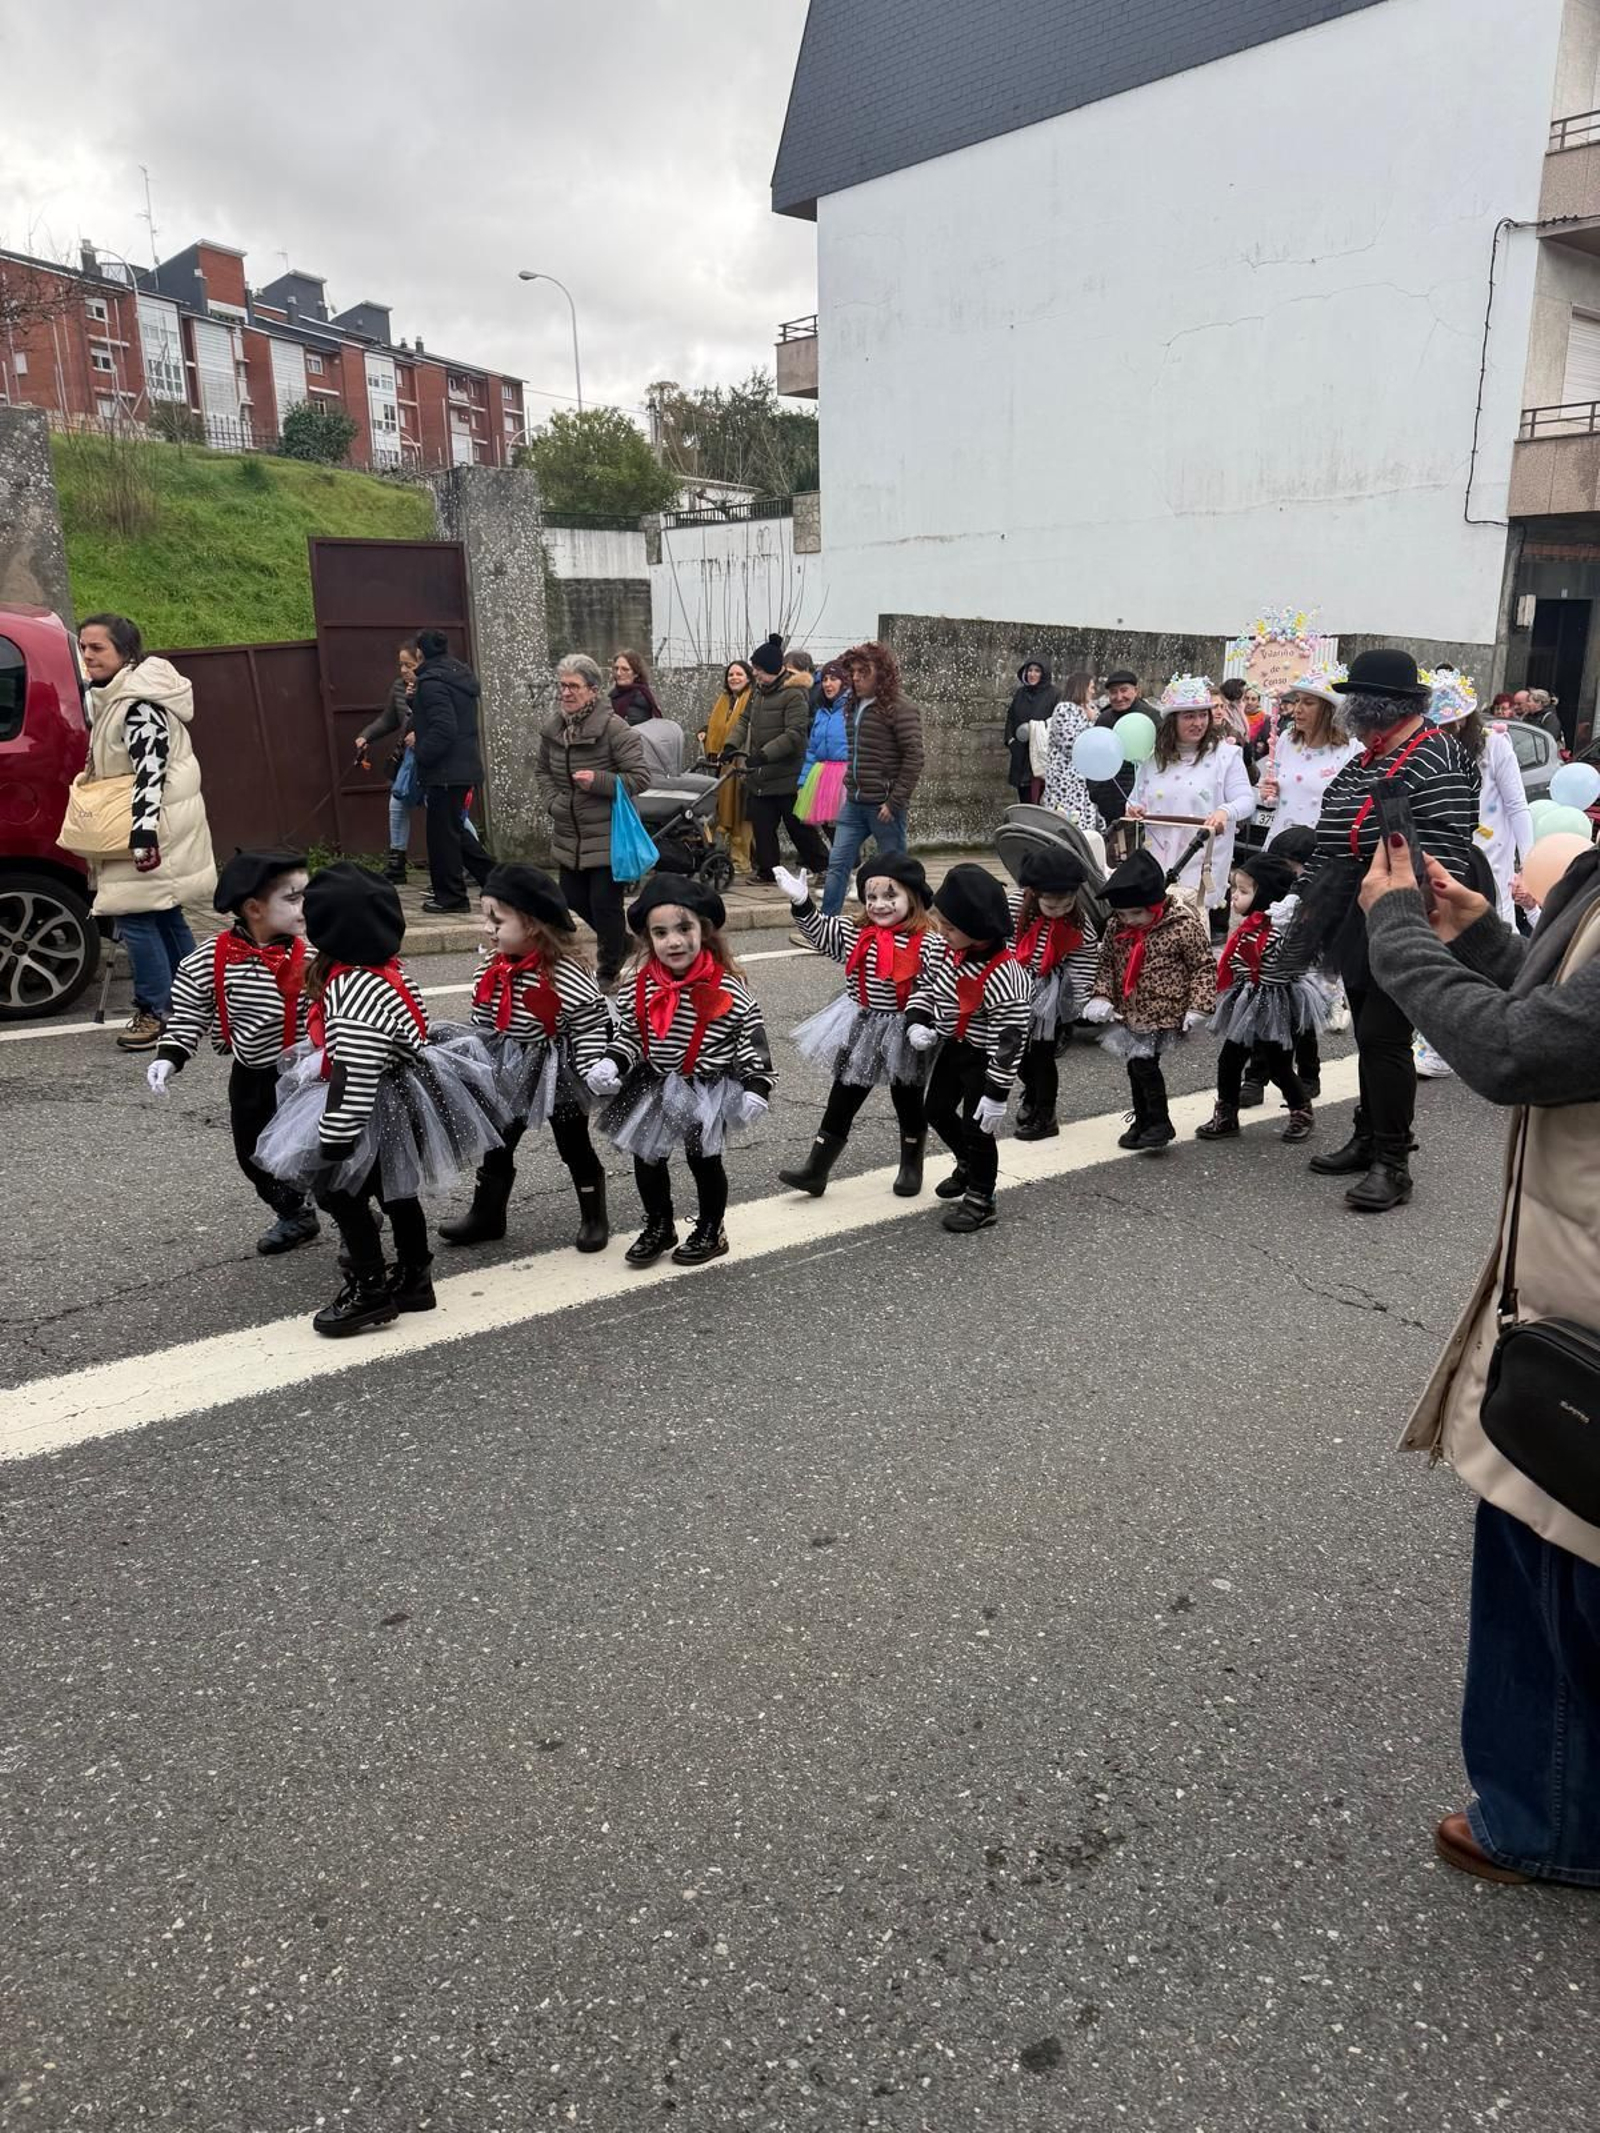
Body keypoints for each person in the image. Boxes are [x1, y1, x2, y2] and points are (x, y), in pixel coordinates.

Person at [1358, 828, 1600, 1887]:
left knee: (1550, 1556)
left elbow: (1515, 1055)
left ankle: (1547, 1824)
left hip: (1582, 1312)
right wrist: (1488, 942)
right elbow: (1568, 1029)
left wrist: (1396, 933)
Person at [254, 864, 504, 1336]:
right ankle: (414, 1278)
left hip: (373, 1101)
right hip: (406, 1090)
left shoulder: (351, 988)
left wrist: (336, 1136)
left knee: (338, 1190)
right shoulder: (386, 969)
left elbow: (355, 1070)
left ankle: (369, 1289)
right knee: (396, 1189)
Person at [1280, 647, 1481, 1213]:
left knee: (1382, 1036)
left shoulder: (1436, 755)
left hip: (1405, 909)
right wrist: (1303, 898)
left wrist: (1410, 921)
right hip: (1356, 903)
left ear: (1379, 704)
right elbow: (1333, 831)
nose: (1346, 710)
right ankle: (1368, 1134)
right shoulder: (1370, 755)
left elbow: (1445, 849)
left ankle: (1394, 1163)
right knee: (1369, 1021)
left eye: (1353, 700)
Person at [583, 875, 774, 1269]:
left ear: (704, 929)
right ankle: (659, 1224)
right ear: (648, 938)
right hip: (654, 1083)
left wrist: (757, 1084)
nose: (673, 941)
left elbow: (750, 1038)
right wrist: (611, 1061)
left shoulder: (728, 989)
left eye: (684, 928)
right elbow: (630, 1036)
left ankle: (711, 1227)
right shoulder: (640, 985)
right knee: (647, 1157)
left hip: (705, 1086)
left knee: (703, 1160)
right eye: (660, 932)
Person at [146, 851, 319, 1255]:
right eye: (293, 899)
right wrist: (169, 1055)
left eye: (307, 896)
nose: (305, 908)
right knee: (254, 1154)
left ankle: (351, 1213)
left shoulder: (315, 954)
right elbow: (190, 1010)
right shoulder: (209, 958)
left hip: (309, 1073)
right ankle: (294, 1213)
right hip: (253, 1073)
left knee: (324, 1150)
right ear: (254, 909)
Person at [439, 864, 612, 1254]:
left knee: (573, 1143)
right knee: (498, 1139)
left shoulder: (566, 974)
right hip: (510, 1064)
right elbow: (483, 1018)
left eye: (496, 919)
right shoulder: (494, 966)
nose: (488, 928)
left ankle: (593, 1216)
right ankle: (487, 1215)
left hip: (559, 1068)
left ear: (532, 924)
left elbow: (588, 1025)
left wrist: (590, 1069)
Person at [76, 613, 217, 1053]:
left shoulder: (137, 704)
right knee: (164, 913)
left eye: (97, 648)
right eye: (83, 647)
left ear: (125, 653)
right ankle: (198, 1004)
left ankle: (155, 1011)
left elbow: (150, 772)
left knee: (136, 918)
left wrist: (142, 836)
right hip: (156, 824)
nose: (87, 656)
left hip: (147, 827)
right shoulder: (120, 697)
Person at [774, 853, 935, 1199]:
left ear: (914, 898)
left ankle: (911, 1165)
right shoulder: (854, 932)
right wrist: (802, 903)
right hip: (862, 1022)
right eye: (871, 897)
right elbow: (821, 933)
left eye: (890, 896)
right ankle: (816, 1169)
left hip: (907, 1028)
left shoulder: (928, 942)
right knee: (843, 1095)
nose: (879, 904)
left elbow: (940, 984)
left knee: (907, 1098)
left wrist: (927, 1022)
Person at [903, 864, 1033, 1233]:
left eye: (949, 927)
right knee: (936, 1109)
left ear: (977, 931)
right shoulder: (945, 950)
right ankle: (967, 1162)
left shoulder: (1005, 977)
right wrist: (918, 1019)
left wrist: (996, 1092)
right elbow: (926, 984)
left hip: (986, 1057)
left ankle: (982, 1197)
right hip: (955, 1045)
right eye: (939, 922)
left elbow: (1010, 1041)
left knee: (979, 1128)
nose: (940, 932)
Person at [1082, 847, 1216, 1152]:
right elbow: (1106, 962)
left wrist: (1199, 1005)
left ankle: (1159, 1122)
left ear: (1156, 904)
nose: (1129, 920)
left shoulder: (1183, 926)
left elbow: (1203, 967)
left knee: (1144, 1065)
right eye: (1123, 913)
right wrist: (1101, 995)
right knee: (1135, 1065)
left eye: (1136, 913)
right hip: (1129, 1010)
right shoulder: (1119, 926)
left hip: (1164, 1010)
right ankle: (1142, 1119)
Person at [536, 653, 649, 989]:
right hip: (569, 832)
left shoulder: (615, 729)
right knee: (570, 896)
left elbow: (640, 777)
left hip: (607, 833)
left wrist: (599, 781)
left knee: (605, 903)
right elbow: (542, 771)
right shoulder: (554, 728)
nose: (566, 693)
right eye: (563, 686)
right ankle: (623, 943)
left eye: (574, 686)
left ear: (594, 690)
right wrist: (553, 802)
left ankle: (608, 969)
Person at [1196, 850, 1319, 1145]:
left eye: (1243, 891)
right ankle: (1226, 1113)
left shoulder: (1284, 931)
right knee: (1229, 1059)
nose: (1235, 897)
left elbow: (1294, 963)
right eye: (1235, 889)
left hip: (1276, 1002)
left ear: (1267, 895)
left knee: (1278, 1064)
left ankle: (1301, 1110)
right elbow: (1235, 961)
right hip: (1248, 998)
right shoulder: (1250, 926)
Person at [1127, 676, 1255, 916]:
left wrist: (1224, 811)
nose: (1198, 722)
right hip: (1157, 862)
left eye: (1203, 714)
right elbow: (1135, 799)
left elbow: (1246, 800)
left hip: (1200, 862)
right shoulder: (1153, 759)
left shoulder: (1225, 756)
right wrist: (1134, 808)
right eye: (1189, 716)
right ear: (1172, 720)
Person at [819, 640, 926, 917]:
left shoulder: (901, 707)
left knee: (897, 870)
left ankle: (914, 921)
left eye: (862, 672)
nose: (855, 678)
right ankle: (826, 924)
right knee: (838, 863)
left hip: (884, 807)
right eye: (852, 672)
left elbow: (914, 757)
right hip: (854, 803)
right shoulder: (853, 705)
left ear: (880, 673)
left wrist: (895, 801)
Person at [1007, 847, 1104, 1142]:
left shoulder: (1078, 919)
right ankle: (1033, 1092)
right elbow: (999, 941)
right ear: (1034, 893)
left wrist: (1079, 1000)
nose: (1060, 910)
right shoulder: (1012, 907)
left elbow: (1085, 958)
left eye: (1067, 902)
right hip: (1012, 985)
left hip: (1052, 992)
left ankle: (1045, 1113)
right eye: (1052, 905)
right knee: (1013, 1051)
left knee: (1042, 1054)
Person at [724, 635, 827, 884]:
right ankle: (768, 871)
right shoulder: (757, 693)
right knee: (762, 824)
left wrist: (764, 755)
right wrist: (731, 744)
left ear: (772, 669)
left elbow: (794, 735)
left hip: (786, 773)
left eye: (759, 670)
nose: (755, 675)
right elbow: (744, 721)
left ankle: (824, 867)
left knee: (798, 827)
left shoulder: (794, 695)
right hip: (761, 775)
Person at [411, 629, 489, 915]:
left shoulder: (431, 682)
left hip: (445, 770)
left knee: (441, 837)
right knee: (453, 831)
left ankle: (451, 896)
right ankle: (495, 880)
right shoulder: (458, 675)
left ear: (421, 652)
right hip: (463, 765)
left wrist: (422, 754)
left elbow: (444, 727)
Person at [1259, 670, 1360, 839]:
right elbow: (1273, 799)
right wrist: (1268, 792)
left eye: (1308, 702)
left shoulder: (1352, 750)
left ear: (1329, 710)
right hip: (1279, 844)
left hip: (1319, 850)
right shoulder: (1286, 740)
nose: (1297, 709)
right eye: (1297, 700)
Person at [356, 638, 422, 883]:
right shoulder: (398, 687)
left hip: (431, 758)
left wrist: (422, 734)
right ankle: (396, 865)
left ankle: (474, 860)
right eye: (401, 665)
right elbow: (389, 720)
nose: (404, 670)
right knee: (397, 803)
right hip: (407, 759)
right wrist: (366, 736)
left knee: (451, 813)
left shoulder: (433, 687)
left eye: (409, 665)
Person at [1086, 668, 1160, 828]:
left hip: (1143, 801)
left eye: (1124, 690)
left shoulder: (1151, 717)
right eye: (1113, 692)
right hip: (1110, 798)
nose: (1119, 697)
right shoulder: (1104, 719)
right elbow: (1094, 756)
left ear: (1136, 691)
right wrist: (1096, 793)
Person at [701, 661, 755, 871]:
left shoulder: (751, 699)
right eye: (730, 674)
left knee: (742, 812)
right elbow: (720, 726)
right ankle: (731, 856)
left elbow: (741, 728)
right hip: (723, 763)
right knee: (722, 808)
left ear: (748, 677)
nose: (734, 677)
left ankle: (742, 859)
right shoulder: (725, 700)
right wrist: (705, 730)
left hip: (742, 761)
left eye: (739, 674)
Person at [1041, 671, 1104, 834]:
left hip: (1086, 780)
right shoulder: (1064, 709)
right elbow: (1071, 744)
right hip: (1065, 780)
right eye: (1091, 687)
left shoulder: (1092, 709)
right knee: (1065, 825)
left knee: (1087, 827)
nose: (1093, 691)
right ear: (1081, 688)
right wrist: (1090, 722)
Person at [795, 663, 852, 831]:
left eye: (833, 679)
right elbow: (812, 751)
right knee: (829, 830)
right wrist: (803, 782)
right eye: (825, 679)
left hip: (844, 779)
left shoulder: (852, 710)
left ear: (844, 682)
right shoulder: (821, 712)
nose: (827, 684)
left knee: (845, 834)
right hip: (820, 777)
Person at [612, 650, 684, 780]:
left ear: (636, 673)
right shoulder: (616, 694)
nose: (618, 673)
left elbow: (627, 729)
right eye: (616, 668)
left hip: (631, 758)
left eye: (625, 669)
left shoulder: (638, 697)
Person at [1005, 659, 1056, 804]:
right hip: (1021, 755)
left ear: (1044, 674)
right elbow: (1011, 718)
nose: (1032, 674)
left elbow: (1056, 724)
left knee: (1039, 801)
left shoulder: (1054, 694)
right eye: (1030, 670)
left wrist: (1036, 731)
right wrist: (1011, 741)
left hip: (1041, 757)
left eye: (1037, 671)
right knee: (1025, 798)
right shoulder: (1021, 693)